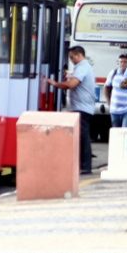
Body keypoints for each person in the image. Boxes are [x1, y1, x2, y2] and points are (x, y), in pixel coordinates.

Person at [46, 45, 95, 174]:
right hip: (83, 107)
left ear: (79, 55)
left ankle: (85, 166)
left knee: (83, 138)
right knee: (82, 137)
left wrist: (56, 84)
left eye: (72, 57)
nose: (71, 60)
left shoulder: (83, 67)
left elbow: (72, 84)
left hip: (82, 108)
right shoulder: (83, 67)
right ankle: (83, 165)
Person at [105, 53, 127, 128]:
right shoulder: (113, 73)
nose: (123, 64)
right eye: (121, 62)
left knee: (124, 131)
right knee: (116, 133)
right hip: (114, 110)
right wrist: (109, 103)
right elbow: (106, 87)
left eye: (125, 62)